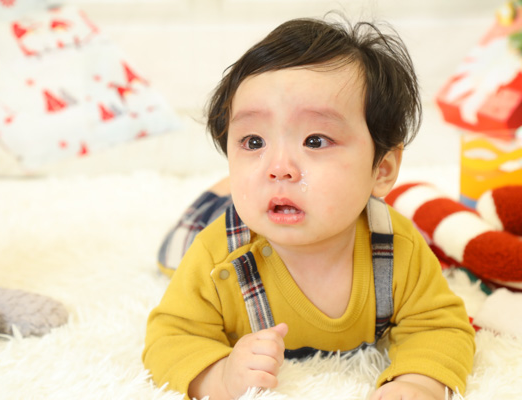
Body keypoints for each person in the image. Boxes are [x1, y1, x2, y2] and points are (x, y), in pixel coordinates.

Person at [143, 16, 475, 400]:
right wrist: (219, 377)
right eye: (253, 142)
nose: (279, 167)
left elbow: (439, 327)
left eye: (315, 141)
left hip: (264, 201)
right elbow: (170, 337)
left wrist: (418, 382)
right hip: (217, 220)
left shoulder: (396, 247)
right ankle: (219, 193)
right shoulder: (217, 257)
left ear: (381, 170)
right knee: (180, 245)